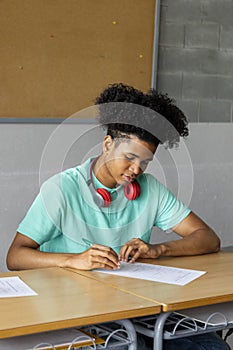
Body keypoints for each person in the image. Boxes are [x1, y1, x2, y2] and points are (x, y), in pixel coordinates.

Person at [6, 83, 230, 350]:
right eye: (130, 157)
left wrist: (158, 249)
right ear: (108, 144)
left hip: (138, 307)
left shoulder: (150, 188)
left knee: (212, 348)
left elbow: (207, 239)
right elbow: (16, 256)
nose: (136, 169)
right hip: (77, 312)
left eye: (145, 162)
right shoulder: (62, 189)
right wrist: (73, 260)